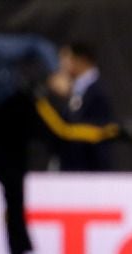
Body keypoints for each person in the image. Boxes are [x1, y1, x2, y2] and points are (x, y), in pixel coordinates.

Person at [0, 33, 58, 254]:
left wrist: (53, 71)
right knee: (11, 194)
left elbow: (38, 44)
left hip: (9, 117)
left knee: (63, 136)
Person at [52, 42, 118, 171]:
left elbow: (91, 129)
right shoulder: (76, 89)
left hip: (89, 168)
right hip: (71, 166)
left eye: (66, 59)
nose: (61, 65)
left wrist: (65, 98)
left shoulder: (98, 91)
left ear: (80, 60)